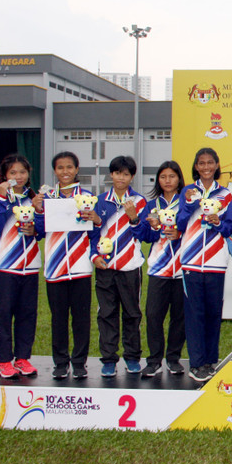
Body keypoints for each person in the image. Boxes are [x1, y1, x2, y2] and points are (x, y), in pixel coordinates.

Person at [33, 151, 96, 380]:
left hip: (80, 267)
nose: (65, 171)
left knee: (81, 318)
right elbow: (39, 230)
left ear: (77, 169)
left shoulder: (88, 196)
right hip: (55, 268)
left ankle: (79, 362)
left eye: (70, 167)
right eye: (60, 168)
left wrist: (95, 219)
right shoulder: (47, 197)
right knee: (58, 318)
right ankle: (60, 362)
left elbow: (96, 231)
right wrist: (38, 209)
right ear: (55, 171)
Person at [177, 148, 232, 382]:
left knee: (213, 314)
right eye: (201, 163)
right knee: (195, 314)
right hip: (191, 262)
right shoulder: (187, 191)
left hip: (215, 263)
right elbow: (181, 223)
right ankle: (197, 363)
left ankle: (211, 360)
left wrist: (218, 221)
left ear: (216, 165)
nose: (205, 167)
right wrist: (191, 204)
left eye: (210, 162)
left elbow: (230, 228)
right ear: (196, 166)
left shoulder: (225, 195)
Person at [89, 155, 147, 376]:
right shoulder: (100, 201)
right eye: (117, 173)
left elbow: (146, 235)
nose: (121, 178)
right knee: (106, 313)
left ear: (132, 176)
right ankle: (109, 359)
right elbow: (93, 234)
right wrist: (95, 256)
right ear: (111, 174)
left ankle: (132, 357)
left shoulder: (140, 202)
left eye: (126, 174)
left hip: (131, 267)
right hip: (105, 267)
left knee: (132, 313)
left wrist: (134, 218)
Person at [0, 154, 41, 379]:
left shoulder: (35, 198)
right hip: (5, 267)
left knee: (27, 314)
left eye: (22, 172)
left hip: (30, 267)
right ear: (5, 176)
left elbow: (45, 230)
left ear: (29, 174)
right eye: (13, 173)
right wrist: (3, 199)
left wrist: (36, 227)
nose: (18, 177)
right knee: (4, 314)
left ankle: (22, 358)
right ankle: (4, 360)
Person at [135, 160, 187, 377]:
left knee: (180, 316)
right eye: (163, 176)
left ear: (179, 179)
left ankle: (173, 358)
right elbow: (143, 235)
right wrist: (156, 230)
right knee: (154, 315)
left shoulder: (187, 203)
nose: (167, 181)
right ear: (158, 179)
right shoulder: (151, 205)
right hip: (158, 269)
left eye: (172, 176)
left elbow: (194, 228)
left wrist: (180, 233)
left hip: (183, 268)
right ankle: (154, 359)